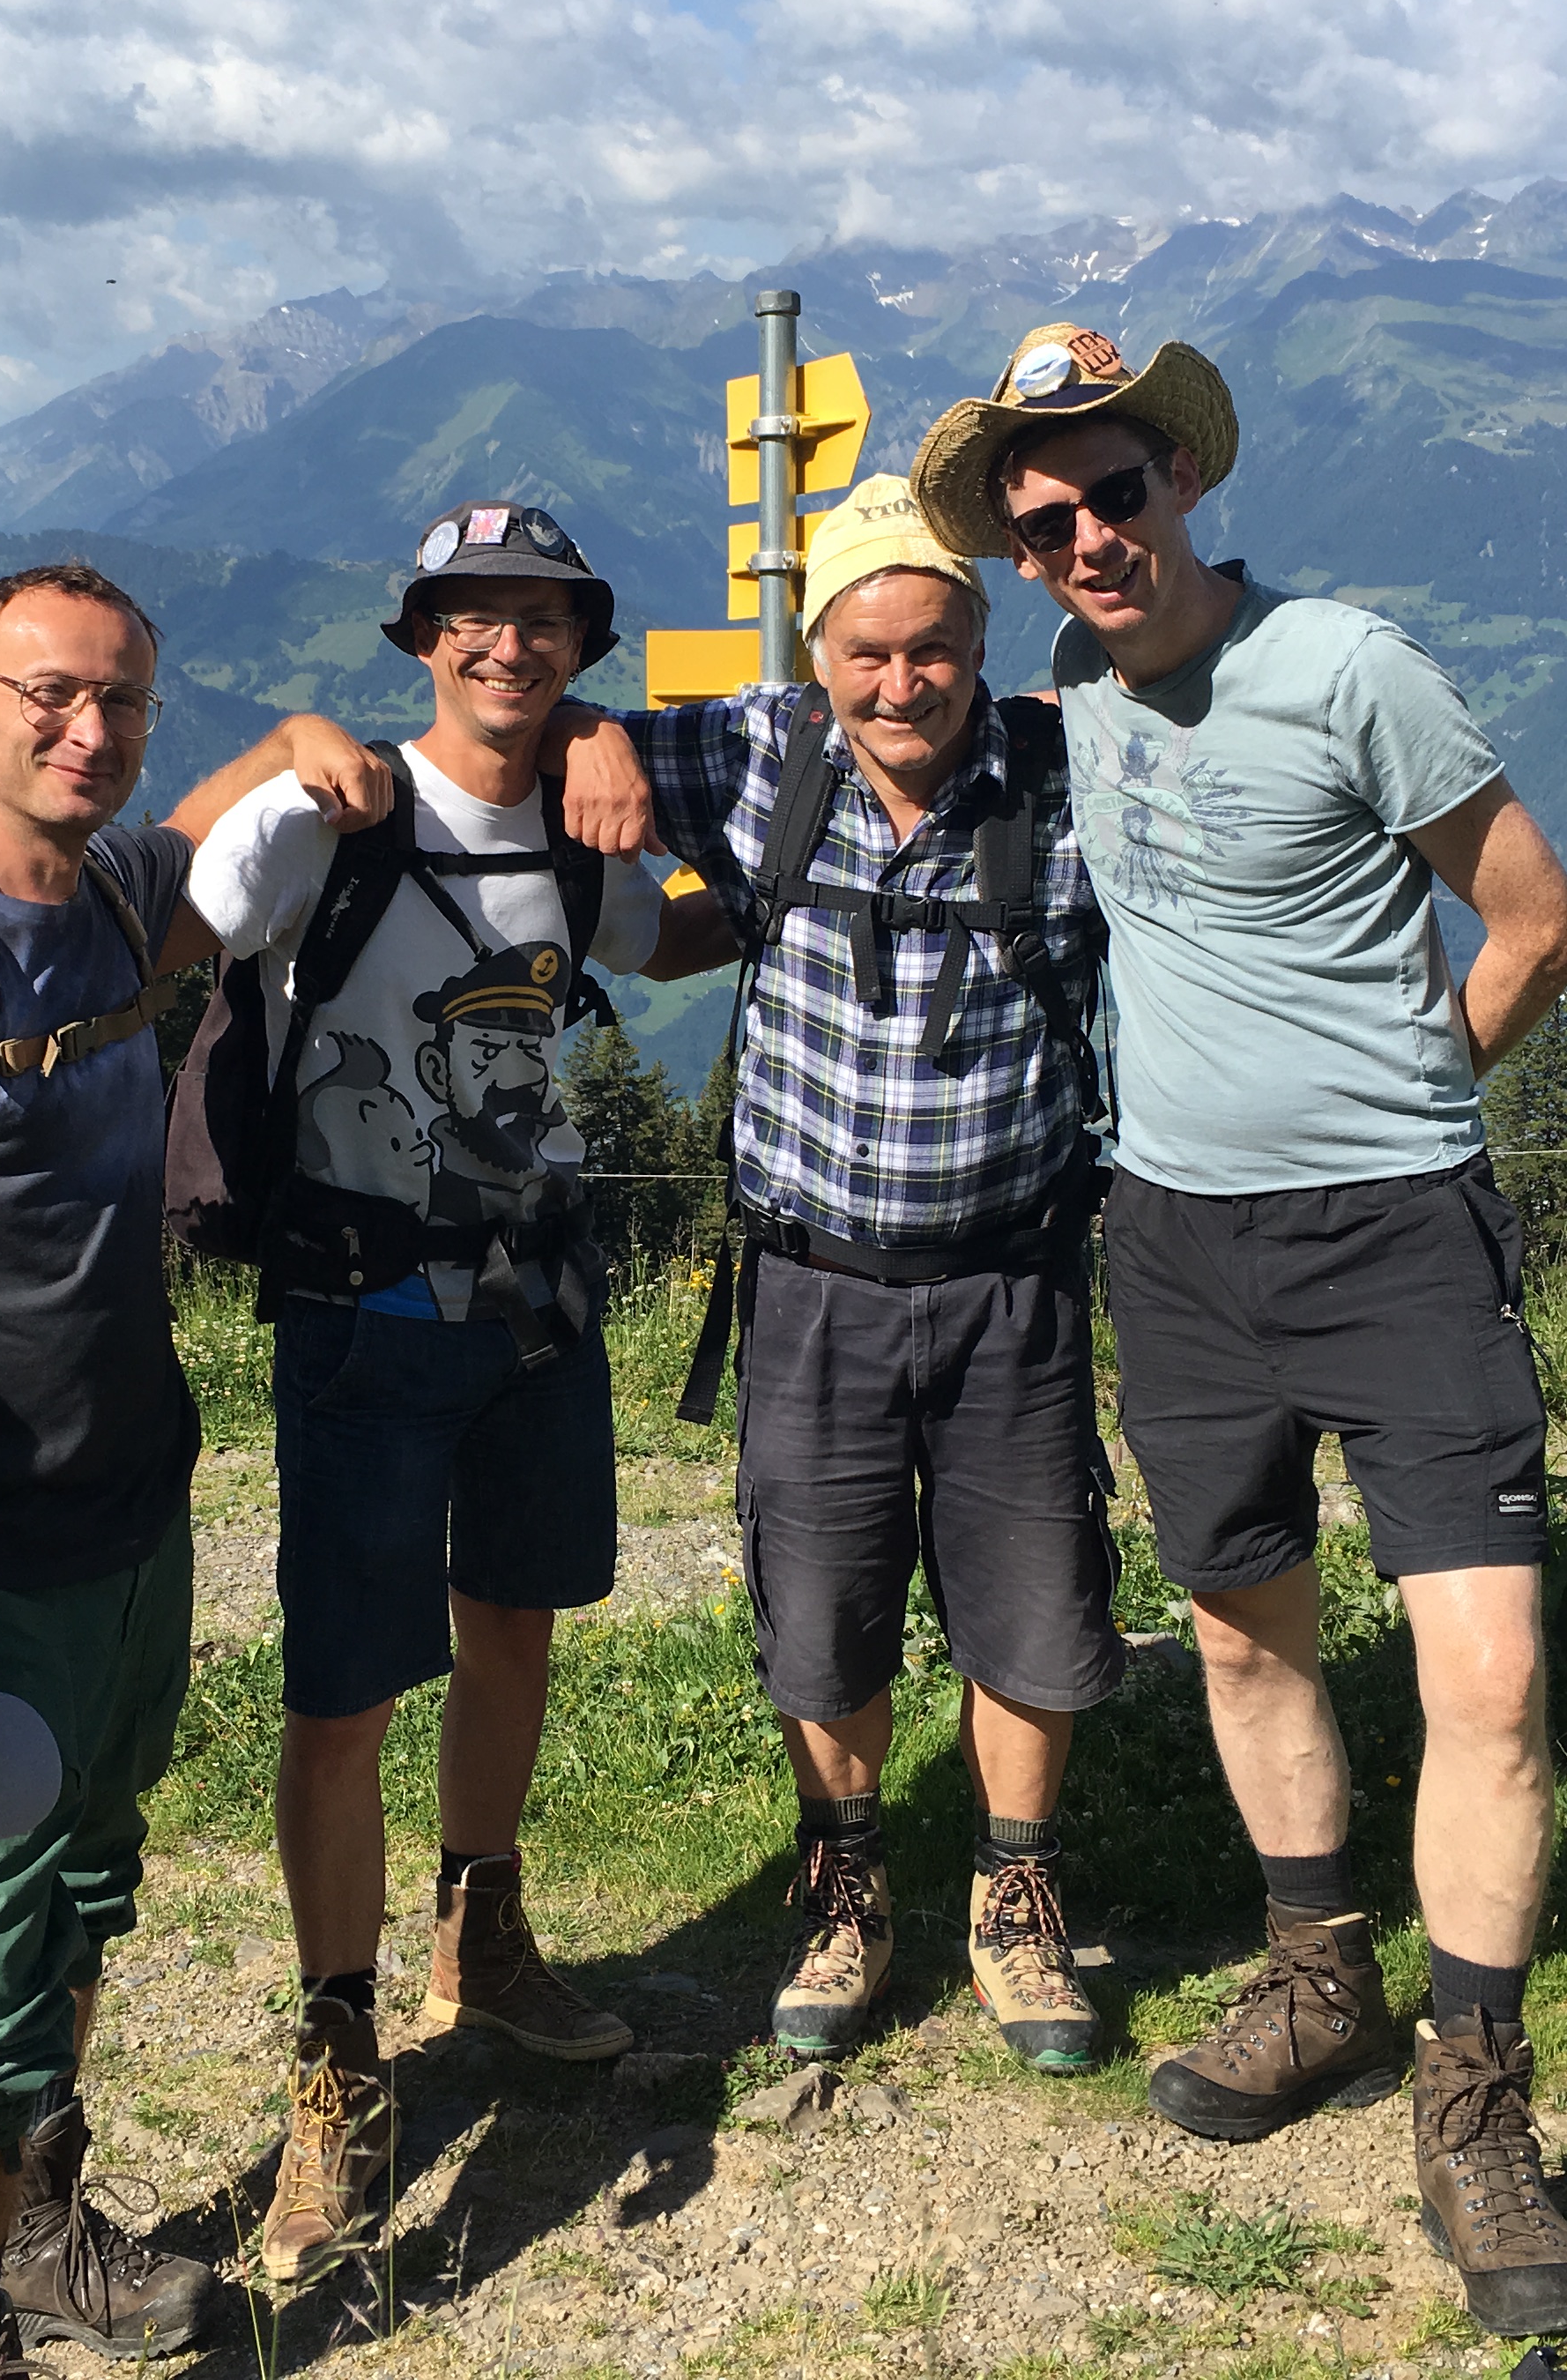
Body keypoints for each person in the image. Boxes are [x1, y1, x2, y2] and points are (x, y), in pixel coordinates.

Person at [914, 330, 1567, 2337]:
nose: (1086, 540)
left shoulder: (1348, 668)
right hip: (1173, 1239)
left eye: (1114, 494)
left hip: (1398, 1240)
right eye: (1045, 523)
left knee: (1492, 1680)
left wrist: (1410, 1108)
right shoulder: (1070, 692)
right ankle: (1320, 1976)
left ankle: (1477, 2105)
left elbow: (1540, 920)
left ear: (1184, 482)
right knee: (1240, 1631)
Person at [0, 558, 391, 2380]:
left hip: (128, 1522)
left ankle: (39, 2233)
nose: (87, 727)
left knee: (82, 1890)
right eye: (48, 693)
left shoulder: (114, 901)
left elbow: (197, 832)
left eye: (119, 697)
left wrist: (291, 733)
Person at [183, 499, 734, 2287]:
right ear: (420, 638)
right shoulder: (327, 818)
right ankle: (339, 2048)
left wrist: (634, 778)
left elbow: (681, 938)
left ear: (584, 648)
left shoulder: (578, 838)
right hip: (358, 1307)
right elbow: (168, 908)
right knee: (342, 1693)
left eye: (544, 620)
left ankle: (480, 1936)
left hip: (532, 1305)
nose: (508, 644)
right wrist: (281, 741)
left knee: (514, 1627)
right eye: (473, 618)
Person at [546, 475, 1120, 2077]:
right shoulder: (755, 752)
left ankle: (1018, 1898)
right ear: (817, 657)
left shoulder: (1069, 775)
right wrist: (589, 731)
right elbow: (509, 727)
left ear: (980, 643)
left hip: (1013, 1276)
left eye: (932, 649)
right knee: (821, 1606)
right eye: (866, 653)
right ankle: (846, 1886)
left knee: (1033, 1602)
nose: (899, 683)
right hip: (812, 1276)